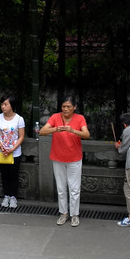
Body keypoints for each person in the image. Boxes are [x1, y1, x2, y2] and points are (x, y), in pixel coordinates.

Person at [39, 96, 89, 227]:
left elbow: (87, 135)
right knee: (61, 188)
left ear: (74, 107)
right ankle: (63, 213)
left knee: (74, 188)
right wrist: (56, 129)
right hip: (58, 157)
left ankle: (74, 215)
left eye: (68, 106)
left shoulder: (80, 118)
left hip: (74, 158)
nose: (65, 109)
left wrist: (73, 130)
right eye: (63, 106)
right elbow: (42, 131)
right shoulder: (55, 117)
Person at [0, 95, 25, 209]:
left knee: (14, 175)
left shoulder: (19, 119)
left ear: (12, 106)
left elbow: (21, 136)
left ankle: (13, 197)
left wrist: (12, 149)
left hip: (14, 152)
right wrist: (1, 146)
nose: (3, 107)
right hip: (2, 151)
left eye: (6, 104)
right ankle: (6, 195)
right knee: (4, 175)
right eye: (2, 104)